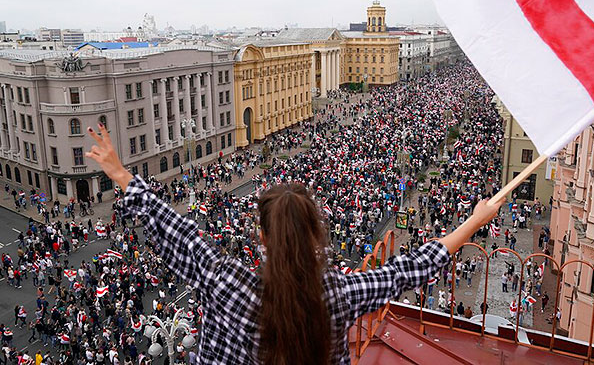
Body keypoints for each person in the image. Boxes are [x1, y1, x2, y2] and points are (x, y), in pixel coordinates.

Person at [85, 122, 504, 364]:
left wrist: (121, 174)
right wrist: (473, 221)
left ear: (261, 236)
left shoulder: (225, 280)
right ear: (315, 234)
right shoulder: (338, 292)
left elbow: (174, 229)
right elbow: (408, 269)